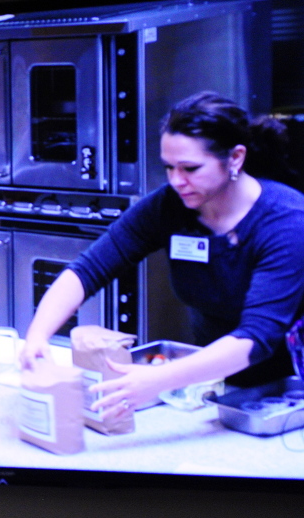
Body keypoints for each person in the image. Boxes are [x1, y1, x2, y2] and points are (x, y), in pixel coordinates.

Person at [19, 91, 304, 416]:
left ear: (235, 158)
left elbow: (257, 336)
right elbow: (87, 270)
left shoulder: (286, 222)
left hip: (286, 391)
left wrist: (160, 379)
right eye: (169, 167)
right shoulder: (170, 206)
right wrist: (38, 334)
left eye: (190, 168)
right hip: (211, 380)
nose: (176, 181)